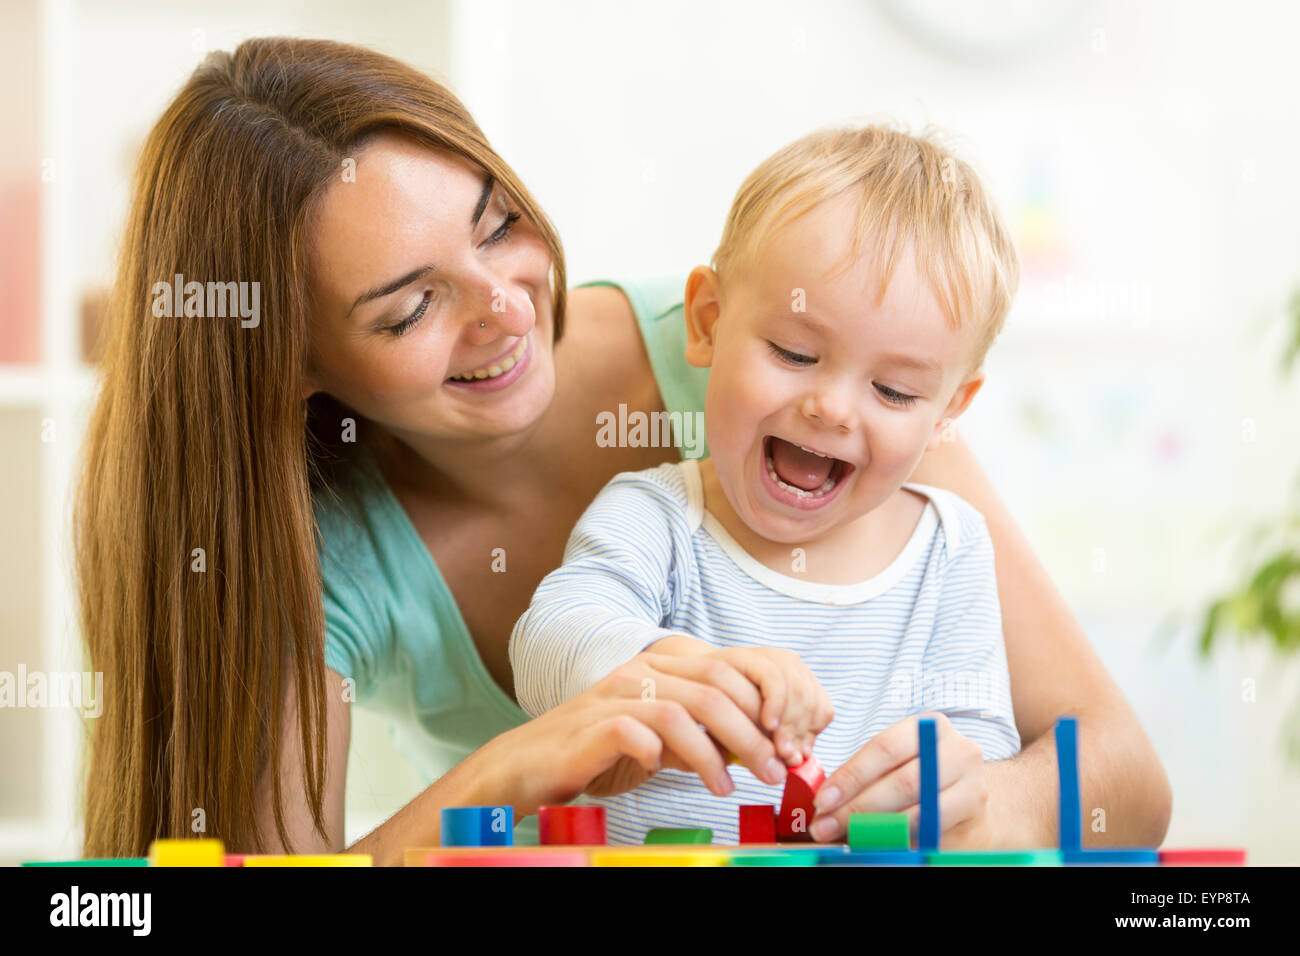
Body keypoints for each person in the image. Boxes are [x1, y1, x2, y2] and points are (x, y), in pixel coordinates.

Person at [75, 37, 1170, 866]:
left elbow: (1119, 777)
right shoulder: (303, 543)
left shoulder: (795, 352)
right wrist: (498, 781)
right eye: (411, 307)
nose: (504, 308)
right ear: (294, 365)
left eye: (497, 223)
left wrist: (992, 804)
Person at [511, 125, 1025, 844]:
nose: (834, 408)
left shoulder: (952, 549)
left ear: (948, 412)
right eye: (794, 352)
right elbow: (548, 645)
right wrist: (679, 670)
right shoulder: (656, 517)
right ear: (708, 324)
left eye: (896, 390)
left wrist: (950, 779)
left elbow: (982, 741)